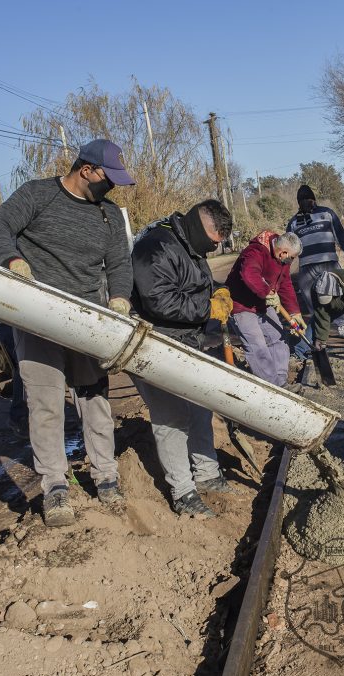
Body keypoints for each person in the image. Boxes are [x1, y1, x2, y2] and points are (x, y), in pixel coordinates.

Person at [0, 139, 135, 527]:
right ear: (86, 170)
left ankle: (106, 476)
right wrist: (11, 258)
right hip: (39, 317)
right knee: (45, 403)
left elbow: (119, 263)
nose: (111, 187)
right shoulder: (38, 195)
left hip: (87, 320)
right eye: (107, 179)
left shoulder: (110, 216)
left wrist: (119, 299)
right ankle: (55, 488)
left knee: (94, 399)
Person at [130, 199, 236, 518]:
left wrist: (217, 291)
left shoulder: (190, 246)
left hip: (187, 342)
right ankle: (183, 491)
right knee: (171, 416)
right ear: (200, 224)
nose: (213, 249)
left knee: (200, 407)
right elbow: (158, 300)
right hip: (154, 343)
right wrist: (206, 310)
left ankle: (206, 474)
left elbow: (196, 285)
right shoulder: (155, 247)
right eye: (213, 241)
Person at [225, 231, 304, 390]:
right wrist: (267, 291)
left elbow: (286, 284)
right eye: (292, 257)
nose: (291, 261)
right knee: (257, 345)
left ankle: (281, 383)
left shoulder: (283, 260)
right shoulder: (255, 251)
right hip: (241, 305)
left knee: (278, 338)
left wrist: (295, 312)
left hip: (262, 305)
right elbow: (249, 273)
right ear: (283, 252)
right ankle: (271, 387)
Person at [286, 184, 344, 339]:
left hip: (329, 261)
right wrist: (284, 266)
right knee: (310, 297)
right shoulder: (293, 222)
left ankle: (342, 325)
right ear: (298, 202)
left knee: (338, 292)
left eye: (308, 199)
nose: (306, 202)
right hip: (306, 266)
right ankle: (318, 325)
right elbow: (288, 245)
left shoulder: (326, 213)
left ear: (314, 199)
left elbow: (340, 233)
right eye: (302, 200)